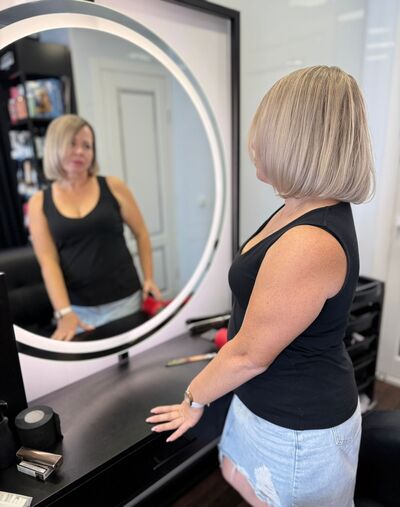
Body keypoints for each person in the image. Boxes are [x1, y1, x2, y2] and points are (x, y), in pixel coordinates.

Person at [146, 66, 375, 507]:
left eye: (265, 133)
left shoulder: (311, 240)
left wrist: (193, 399)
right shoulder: (299, 206)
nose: (254, 144)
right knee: (236, 474)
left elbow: (249, 355)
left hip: (297, 426)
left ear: (297, 142)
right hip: (263, 399)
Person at [28, 114, 161, 341]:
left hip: (125, 301)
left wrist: (149, 277)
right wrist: (64, 312)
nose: (80, 151)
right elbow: (48, 263)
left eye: (87, 146)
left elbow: (141, 233)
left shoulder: (113, 186)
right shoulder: (38, 203)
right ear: (55, 147)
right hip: (78, 312)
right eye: (72, 143)